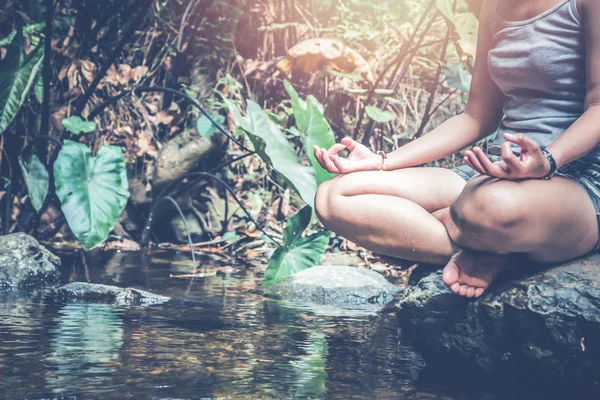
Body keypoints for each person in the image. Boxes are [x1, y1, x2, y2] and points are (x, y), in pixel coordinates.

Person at [313, 0, 600, 298]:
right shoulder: (494, 8)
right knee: (334, 196)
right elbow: (475, 117)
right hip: (491, 173)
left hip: (575, 179)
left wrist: (549, 160)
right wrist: (382, 162)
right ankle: (488, 251)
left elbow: (598, 105)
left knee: (484, 207)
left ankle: (464, 231)